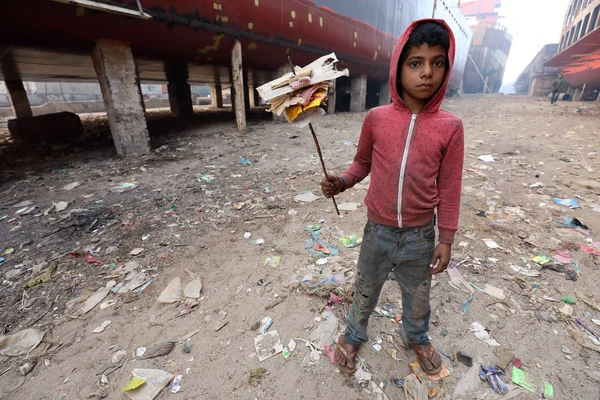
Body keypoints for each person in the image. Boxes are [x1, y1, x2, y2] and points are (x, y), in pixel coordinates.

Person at [321, 19, 464, 376]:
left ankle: (416, 336)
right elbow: (362, 163)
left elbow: (450, 187)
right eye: (415, 62)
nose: (426, 72)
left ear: (446, 68)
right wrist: (341, 182)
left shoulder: (451, 127)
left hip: (420, 236)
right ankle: (354, 335)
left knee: (418, 294)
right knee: (365, 288)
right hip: (377, 232)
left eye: (437, 62)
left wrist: (446, 238)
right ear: (398, 66)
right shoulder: (376, 118)